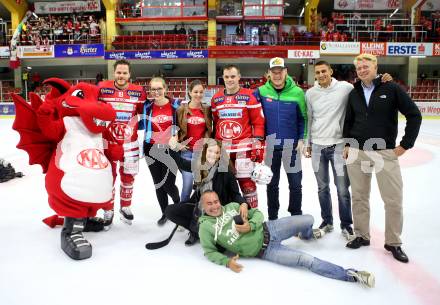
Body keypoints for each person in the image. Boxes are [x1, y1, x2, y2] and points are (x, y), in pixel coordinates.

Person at [198, 190, 375, 288]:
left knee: (309, 219)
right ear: (203, 207)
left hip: (270, 228)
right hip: (266, 251)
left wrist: (251, 225)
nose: (214, 206)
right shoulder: (206, 227)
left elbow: (258, 214)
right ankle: (350, 275)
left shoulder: (233, 206)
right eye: (209, 203)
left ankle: (306, 234)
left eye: (216, 201)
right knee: (306, 260)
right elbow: (209, 252)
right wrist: (227, 262)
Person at [343, 53, 422, 263]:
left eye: (365, 66)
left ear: (375, 66)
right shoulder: (354, 92)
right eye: (359, 68)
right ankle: (361, 235)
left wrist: (405, 144)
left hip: (384, 152)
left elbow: (414, 115)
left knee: (393, 200)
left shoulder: (392, 88)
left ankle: (393, 242)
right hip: (357, 153)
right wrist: (347, 144)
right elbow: (349, 121)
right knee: (359, 197)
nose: (362, 70)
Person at [305, 60, 393, 239]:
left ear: (330, 70)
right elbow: (310, 118)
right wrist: (308, 143)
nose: (321, 75)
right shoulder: (310, 93)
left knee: (343, 189)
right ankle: (327, 222)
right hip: (317, 146)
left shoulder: (345, 88)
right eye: (318, 72)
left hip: (338, 145)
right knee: (322, 188)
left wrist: (381, 79)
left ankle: (346, 225)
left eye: (324, 71)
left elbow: (365, 86)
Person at [165, 138, 248, 245]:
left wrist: (243, 203)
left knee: (220, 244)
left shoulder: (225, 171)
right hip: (200, 207)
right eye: (210, 151)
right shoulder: (199, 165)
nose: (213, 155)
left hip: (218, 211)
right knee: (170, 211)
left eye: (217, 152)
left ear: (220, 155)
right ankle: (196, 230)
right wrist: (172, 147)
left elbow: (235, 194)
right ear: (205, 151)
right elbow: (181, 163)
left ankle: (207, 231)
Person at [254, 57, 307, 220]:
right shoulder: (261, 91)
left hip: (291, 147)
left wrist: (302, 138)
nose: (277, 75)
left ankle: (296, 215)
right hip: (270, 148)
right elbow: (250, 110)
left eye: (280, 72)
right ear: (268, 73)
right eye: (274, 72)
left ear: (286, 72)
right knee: (272, 185)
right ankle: (273, 217)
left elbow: (303, 118)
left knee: (296, 185)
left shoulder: (297, 92)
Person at [98, 59, 147, 229]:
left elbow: (144, 113)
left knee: (128, 177)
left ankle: (125, 206)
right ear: (114, 73)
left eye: (124, 73)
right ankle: (108, 209)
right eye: (118, 72)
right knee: (107, 177)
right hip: (108, 143)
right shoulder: (102, 88)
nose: (121, 76)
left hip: (130, 144)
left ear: (129, 74)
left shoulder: (138, 92)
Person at [211, 64, 265, 208]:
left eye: (233, 76)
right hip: (223, 152)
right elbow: (216, 123)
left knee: (247, 186)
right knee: (223, 186)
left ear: (239, 77)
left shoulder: (249, 96)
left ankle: (253, 218)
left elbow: (258, 123)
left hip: (243, 150)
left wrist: (258, 145)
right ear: (223, 78)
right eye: (227, 77)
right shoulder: (216, 99)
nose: (230, 80)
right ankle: (228, 220)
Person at [140, 76, 181, 226]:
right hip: (151, 148)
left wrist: (177, 136)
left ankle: (178, 205)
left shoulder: (176, 105)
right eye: (153, 89)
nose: (156, 92)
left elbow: (183, 125)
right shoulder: (147, 107)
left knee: (168, 184)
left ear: (165, 89)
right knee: (158, 183)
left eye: (159, 88)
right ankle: (165, 212)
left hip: (170, 149)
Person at [176, 80, 212, 203]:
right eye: (195, 92)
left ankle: (198, 213)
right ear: (190, 92)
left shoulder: (207, 110)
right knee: (187, 185)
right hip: (186, 153)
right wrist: (178, 144)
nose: (198, 94)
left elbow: (210, 129)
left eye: (201, 92)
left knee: (202, 186)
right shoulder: (181, 110)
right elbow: (174, 129)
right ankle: (181, 213)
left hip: (201, 153)